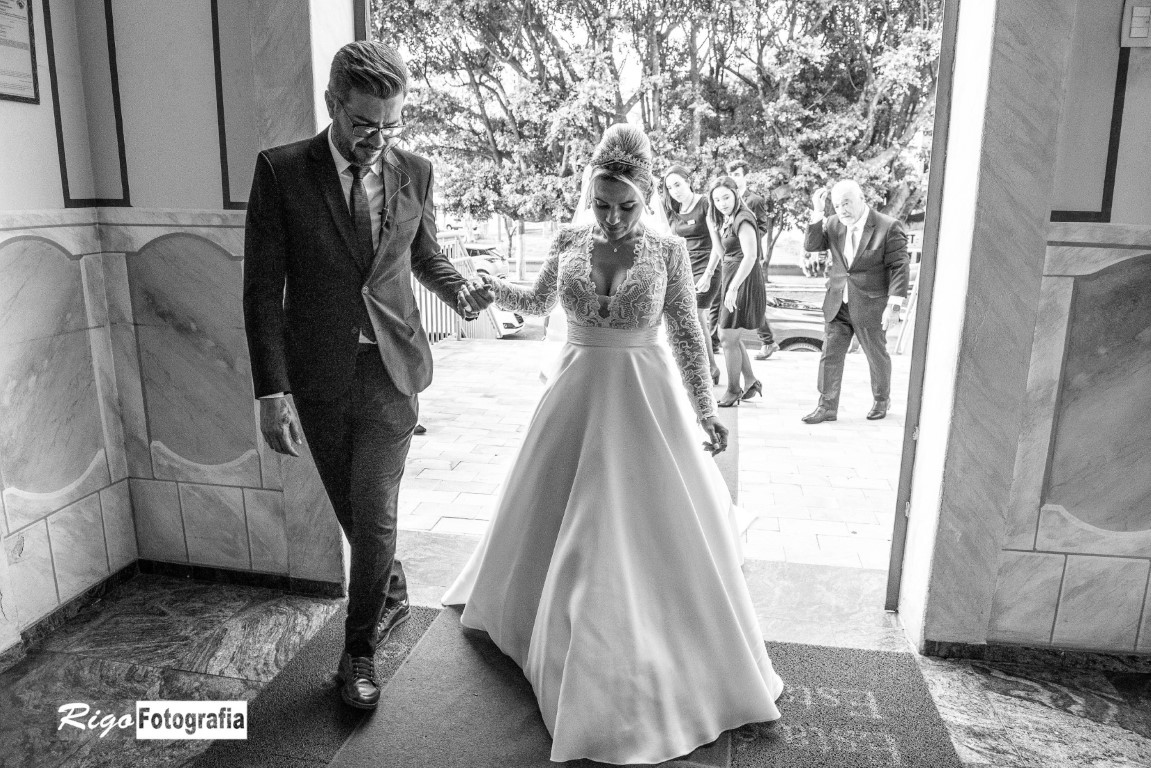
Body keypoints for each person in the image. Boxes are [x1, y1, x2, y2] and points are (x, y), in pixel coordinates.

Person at [442, 124, 783, 765]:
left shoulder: (669, 252)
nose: (613, 218)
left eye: (626, 205)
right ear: (589, 195)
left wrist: (707, 409)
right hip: (573, 397)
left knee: (632, 527)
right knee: (558, 518)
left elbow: (686, 333)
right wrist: (491, 290)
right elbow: (537, 302)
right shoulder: (569, 240)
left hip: (642, 402)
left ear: (646, 198)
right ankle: (550, 631)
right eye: (602, 203)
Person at [242, 41, 492, 710]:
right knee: (354, 510)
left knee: (376, 512)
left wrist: (460, 291)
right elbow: (262, 290)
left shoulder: (415, 171)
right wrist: (271, 390)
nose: (377, 139)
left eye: (390, 125)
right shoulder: (281, 172)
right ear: (332, 104)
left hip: (390, 370)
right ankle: (392, 591)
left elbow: (425, 256)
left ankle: (357, 653)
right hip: (316, 375)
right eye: (363, 124)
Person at [801, 180, 909, 424]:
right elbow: (812, 245)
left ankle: (881, 400)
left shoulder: (888, 227)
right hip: (838, 303)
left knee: (876, 355)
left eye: (847, 203)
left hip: (871, 305)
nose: (842, 210)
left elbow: (899, 267)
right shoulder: (833, 223)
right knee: (830, 355)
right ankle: (826, 406)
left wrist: (893, 307)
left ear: (862, 199)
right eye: (837, 205)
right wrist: (818, 211)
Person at [707, 176, 767, 407]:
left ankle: (733, 390)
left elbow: (751, 256)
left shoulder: (743, 218)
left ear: (736, 194)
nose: (722, 203)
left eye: (726, 197)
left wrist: (733, 288)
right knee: (731, 335)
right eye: (717, 200)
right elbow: (722, 253)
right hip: (732, 277)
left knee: (726, 336)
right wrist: (711, 225)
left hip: (743, 281)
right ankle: (750, 381)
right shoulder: (727, 219)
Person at [660, 164, 721, 384]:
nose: (674, 191)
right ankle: (696, 366)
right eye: (670, 187)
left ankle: (710, 368)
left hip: (707, 266)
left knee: (696, 315)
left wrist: (708, 274)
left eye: (678, 184)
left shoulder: (705, 204)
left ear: (688, 181)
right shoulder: (672, 209)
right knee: (684, 318)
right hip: (683, 268)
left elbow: (718, 244)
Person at [726, 159, 779, 362]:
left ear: (745, 176)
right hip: (732, 257)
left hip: (749, 256)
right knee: (741, 299)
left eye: (737, 174)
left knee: (751, 299)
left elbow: (762, 227)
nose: (733, 178)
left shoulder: (754, 200)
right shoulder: (725, 199)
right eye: (730, 174)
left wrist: (747, 240)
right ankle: (764, 340)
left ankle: (767, 340)